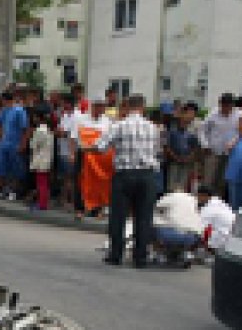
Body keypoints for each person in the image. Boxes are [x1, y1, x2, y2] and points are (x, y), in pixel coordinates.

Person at [94, 94, 161, 268]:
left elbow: (100, 147)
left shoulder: (119, 126)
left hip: (124, 175)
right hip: (147, 175)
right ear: (143, 107)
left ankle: (116, 254)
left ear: (127, 107)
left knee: (118, 216)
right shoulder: (153, 128)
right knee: (144, 217)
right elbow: (156, 151)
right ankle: (140, 258)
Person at [73, 95, 113, 219]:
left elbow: (109, 140)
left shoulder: (107, 122)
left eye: (102, 106)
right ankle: (80, 209)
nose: (100, 109)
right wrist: (72, 153)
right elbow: (73, 137)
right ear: (92, 106)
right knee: (80, 181)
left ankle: (97, 209)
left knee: (99, 183)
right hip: (83, 154)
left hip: (99, 158)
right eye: (97, 106)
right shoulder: (81, 119)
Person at [199, 93, 240, 196]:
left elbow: (241, 132)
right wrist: (205, 145)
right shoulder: (213, 114)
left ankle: (218, 200)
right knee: (208, 179)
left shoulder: (239, 115)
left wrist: (234, 142)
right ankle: (204, 200)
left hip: (230, 153)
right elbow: (202, 130)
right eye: (223, 106)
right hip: (213, 152)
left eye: (228, 106)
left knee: (222, 181)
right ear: (220, 104)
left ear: (232, 105)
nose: (226, 109)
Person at [152, 190, 204, 266]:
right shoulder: (193, 199)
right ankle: (186, 252)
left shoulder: (167, 197)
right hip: (192, 237)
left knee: (154, 224)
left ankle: (160, 253)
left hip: (169, 236)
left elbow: (156, 207)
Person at [0, 92, 28, 200]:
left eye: (2, 100)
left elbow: (24, 129)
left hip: (15, 144)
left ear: (6, 100)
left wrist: (23, 144)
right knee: (1, 168)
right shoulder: (4, 111)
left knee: (15, 169)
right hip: (4, 143)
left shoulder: (19, 111)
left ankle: (13, 191)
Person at [166, 101, 201, 193]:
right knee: (171, 184)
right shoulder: (172, 130)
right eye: (187, 114)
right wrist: (175, 157)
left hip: (187, 161)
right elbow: (167, 146)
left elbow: (195, 147)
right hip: (173, 160)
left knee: (183, 184)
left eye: (192, 114)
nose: (189, 116)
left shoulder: (193, 132)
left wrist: (189, 157)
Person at [54, 94, 78, 208]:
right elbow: (58, 131)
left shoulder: (77, 116)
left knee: (71, 177)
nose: (62, 105)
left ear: (69, 103)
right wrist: (61, 132)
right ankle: (64, 199)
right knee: (64, 177)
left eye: (63, 103)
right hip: (62, 150)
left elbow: (68, 133)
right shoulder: (64, 116)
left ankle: (72, 201)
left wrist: (62, 132)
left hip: (71, 151)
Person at [197, 186, 235, 253]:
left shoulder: (208, 209)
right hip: (232, 235)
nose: (197, 199)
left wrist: (203, 243)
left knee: (200, 235)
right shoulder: (220, 202)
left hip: (221, 238)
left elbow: (205, 229)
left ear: (204, 196)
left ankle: (209, 251)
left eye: (198, 196)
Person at [29, 110, 53, 211]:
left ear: (39, 118)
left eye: (35, 117)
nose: (34, 119)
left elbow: (33, 145)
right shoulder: (48, 130)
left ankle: (42, 204)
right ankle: (42, 203)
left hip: (40, 159)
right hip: (47, 158)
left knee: (41, 184)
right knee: (44, 183)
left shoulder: (39, 130)